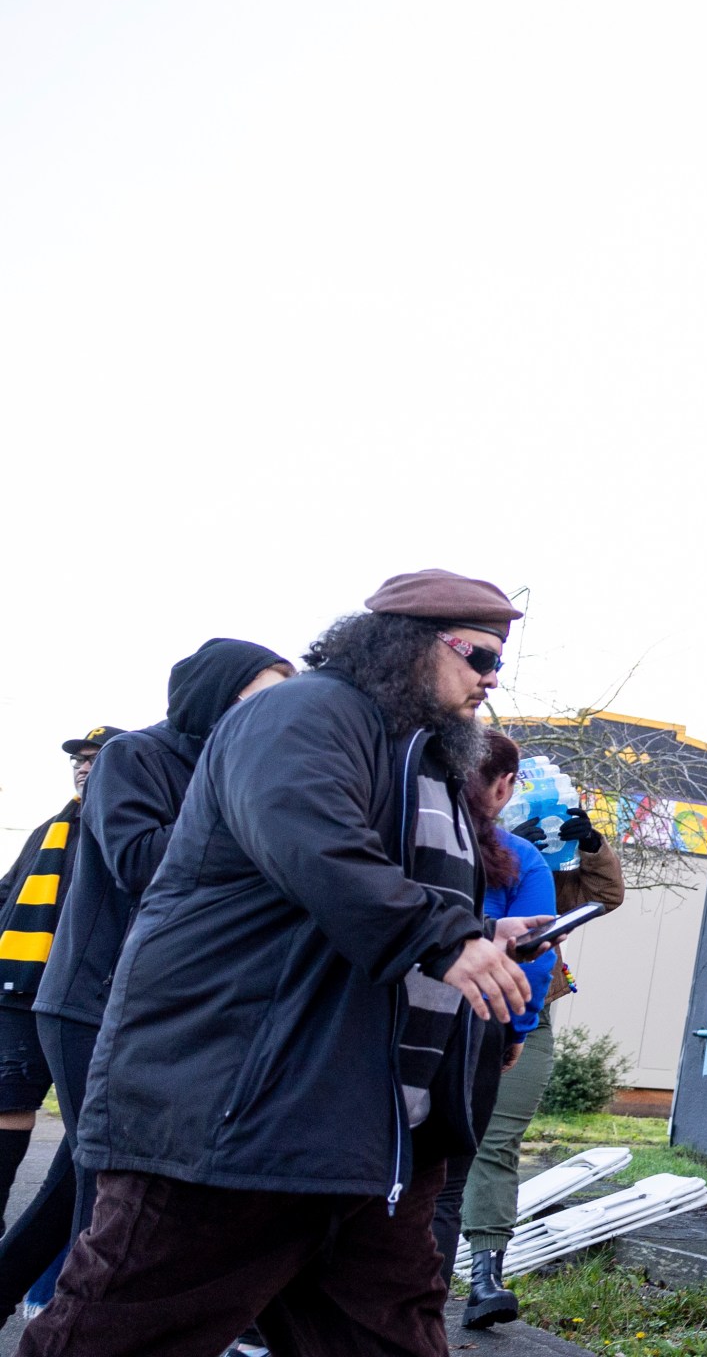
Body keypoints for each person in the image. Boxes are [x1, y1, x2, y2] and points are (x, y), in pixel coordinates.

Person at [21, 570, 554, 1357]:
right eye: (477, 654)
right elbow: (311, 842)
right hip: (240, 1115)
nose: (491, 677)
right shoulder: (303, 713)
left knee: (385, 1340)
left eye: (501, 660)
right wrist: (444, 939)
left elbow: (382, 896)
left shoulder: (424, 757)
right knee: (119, 1333)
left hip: (370, 1138)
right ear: (405, 644)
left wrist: (484, 939)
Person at [0, 644, 292, 1324]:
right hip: (92, 1001)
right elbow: (138, 860)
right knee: (110, 1182)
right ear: (215, 694)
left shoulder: (246, 768)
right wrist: (248, 819)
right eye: (263, 699)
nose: (278, 717)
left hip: (173, 1004)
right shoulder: (138, 757)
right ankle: (78, 1329)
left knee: (86, 1173)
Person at [439, 731, 558, 1328]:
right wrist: (516, 1027)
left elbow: (537, 953)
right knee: (461, 1156)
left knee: (485, 1146)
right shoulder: (440, 844)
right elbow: (536, 950)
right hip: (484, 1023)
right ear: (505, 786)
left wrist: (516, 1028)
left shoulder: (523, 855)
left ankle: (484, 1274)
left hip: (498, 1023)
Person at [0, 729, 121, 1213]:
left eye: (95, 759)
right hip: (21, 989)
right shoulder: (50, 828)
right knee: (8, 1100)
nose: (83, 766)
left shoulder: (131, 821)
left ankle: (58, 1262)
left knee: (89, 1125)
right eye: (79, 760)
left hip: (90, 997)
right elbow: (8, 894)